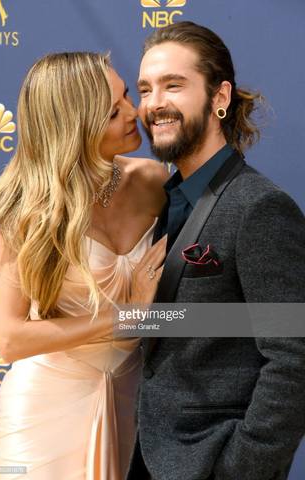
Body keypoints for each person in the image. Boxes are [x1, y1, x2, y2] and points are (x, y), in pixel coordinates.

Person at [127, 21, 305, 480]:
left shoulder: (259, 207)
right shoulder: (162, 203)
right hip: (142, 456)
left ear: (220, 97)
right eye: (145, 89)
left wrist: (242, 466)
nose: (154, 104)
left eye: (174, 85)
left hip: (212, 462)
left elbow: (293, 355)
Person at [0, 52, 169, 480]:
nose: (132, 113)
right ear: (75, 128)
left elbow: (173, 312)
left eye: (126, 96)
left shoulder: (154, 180)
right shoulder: (22, 210)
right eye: (112, 112)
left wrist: (276, 320)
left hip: (133, 400)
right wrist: (125, 318)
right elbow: (11, 340)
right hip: (45, 415)